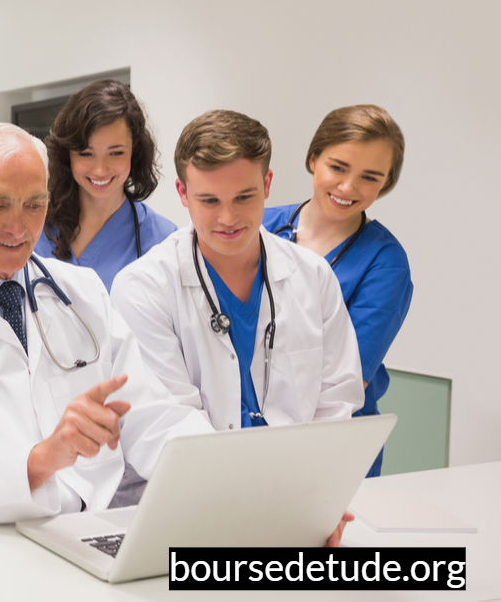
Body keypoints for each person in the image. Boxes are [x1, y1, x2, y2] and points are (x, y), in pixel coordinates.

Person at [0, 123, 214, 536]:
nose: (18, 228)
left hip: (88, 533)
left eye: (34, 205)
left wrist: (224, 475)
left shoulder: (81, 292)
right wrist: (42, 460)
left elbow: (150, 415)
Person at [111, 110, 364, 432]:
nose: (228, 218)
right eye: (209, 200)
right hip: (196, 477)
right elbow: (168, 419)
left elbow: (337, 401)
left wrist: (304, 472)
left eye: (244, 197)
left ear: (267, 183)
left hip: (299, 474)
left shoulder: (313, 277)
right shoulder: (143, 287)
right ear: (182, 193)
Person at [262, 105, 412, 477]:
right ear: (314, 158)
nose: (348, 188)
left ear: (386, 182)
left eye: (369, 177)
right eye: (338, 167)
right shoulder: (260, 226)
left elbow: (348, 379)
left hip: (332, 446)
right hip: (245, 433)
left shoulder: (385, 261)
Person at [35, 80, 177, 290]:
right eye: (86, 154)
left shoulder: (162, 240)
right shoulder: (33, 227)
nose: (100, 170)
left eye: (116, 153)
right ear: (67, 155)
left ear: (134, 151)